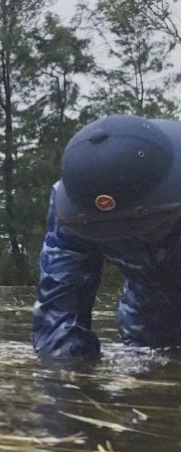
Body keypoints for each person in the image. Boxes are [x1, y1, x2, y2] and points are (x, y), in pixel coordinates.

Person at [33, 115, 181, 361]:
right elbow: (58, 316)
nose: (135, 238)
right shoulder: (76, 205)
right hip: (148, 324)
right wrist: (65, 386)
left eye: (146, 226)